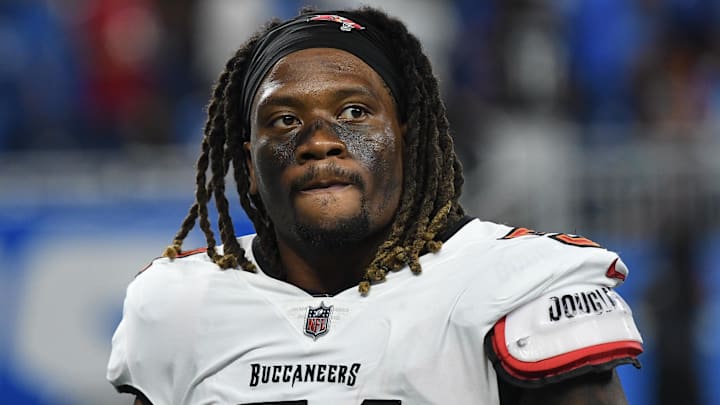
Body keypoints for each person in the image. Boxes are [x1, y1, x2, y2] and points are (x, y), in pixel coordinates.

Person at [107, 6, 643, 405]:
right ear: (249, 163)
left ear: (407, 141)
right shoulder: (180, 305)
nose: (319, 140)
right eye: (285, 120)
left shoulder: (518, 284)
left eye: (356, 111)